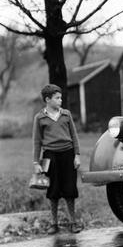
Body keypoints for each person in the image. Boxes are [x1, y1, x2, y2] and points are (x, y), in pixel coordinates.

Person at [32, 84, 82, 234]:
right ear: (48, 99)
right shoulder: (40, 118)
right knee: (53, 190)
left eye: (61, 97)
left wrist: (77, 155)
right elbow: (37, 141)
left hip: (67, 154)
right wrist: (36, 162)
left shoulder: (66, 114)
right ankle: (54, 224)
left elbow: (74, 136)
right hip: (50, 157)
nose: (61, 100)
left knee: (69, 190)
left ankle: (72, 222)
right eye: (57, 98)